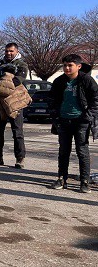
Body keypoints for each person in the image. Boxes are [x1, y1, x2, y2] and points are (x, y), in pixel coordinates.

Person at [49, 54, 97, 193]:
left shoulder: (87, 80)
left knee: (82, 151)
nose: (67, 68)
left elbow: (96, 100)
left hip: (81, 121)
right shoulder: (59, 81)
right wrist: (55, 118)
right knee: (64, 151)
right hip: (63, 120)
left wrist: (88, 117)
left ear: (78, 66)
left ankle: (84, 181)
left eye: (70, 65)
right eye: (64, 65)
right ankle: (61, 179)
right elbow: (52, 100)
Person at [0, 43, 29, 169]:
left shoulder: (21, 65)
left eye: (11, 51)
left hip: (15, 103)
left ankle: (20, 159)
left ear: (17, 51)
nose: (8, 53)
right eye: (6, 51)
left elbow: (15, 82)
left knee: (17, 131)